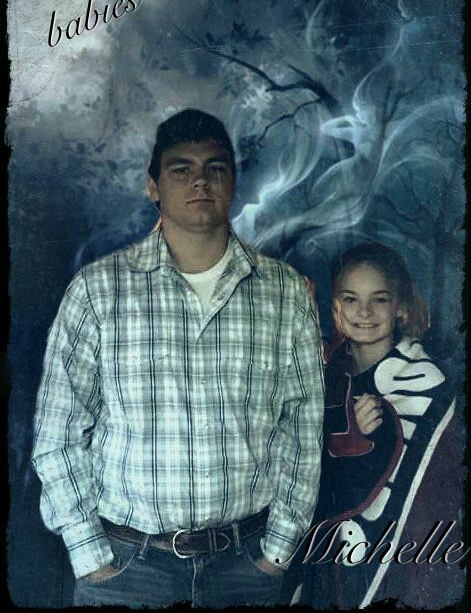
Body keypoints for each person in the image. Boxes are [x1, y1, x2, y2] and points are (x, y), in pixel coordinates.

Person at [31, 109, 325, 608]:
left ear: (233, 183)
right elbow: (58, 433)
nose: (200, 181)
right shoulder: (98, 291)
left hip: (246, 568)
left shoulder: (285, 292)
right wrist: (89, 555)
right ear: (153, 185)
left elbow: (303, 427)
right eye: (181, 167)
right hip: (126, 570)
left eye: (215, 167)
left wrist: (277, 552)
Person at [288, 241, 455, 609]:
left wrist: (374, 439)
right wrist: (348, 436)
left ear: (400, 307)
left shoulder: (427, 383)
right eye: (350, 299)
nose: (364, 311)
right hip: (324, 557)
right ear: (334, 306)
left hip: (402, 561)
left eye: (379, 299)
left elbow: (429, 499)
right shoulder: (323, 373)